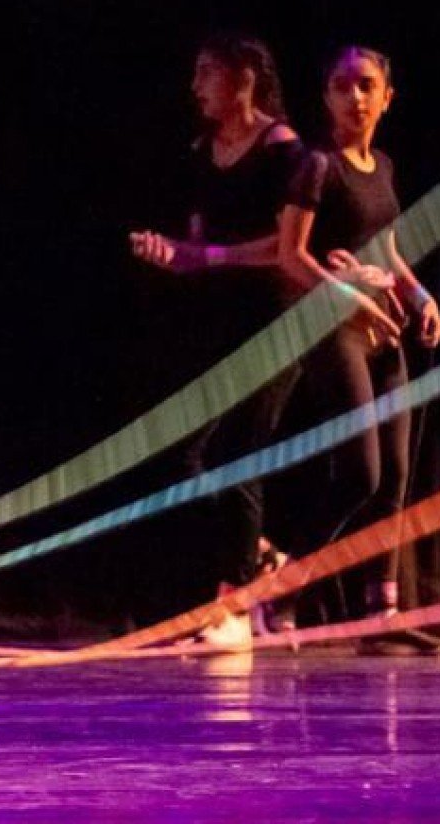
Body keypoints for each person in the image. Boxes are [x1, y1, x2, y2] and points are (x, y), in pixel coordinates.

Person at [127, 35, 325, 649]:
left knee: (241, 454)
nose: (195, 86)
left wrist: (211, 256)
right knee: (185, 456)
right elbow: (196, 245)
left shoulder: (284, 151)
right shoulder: (199, 154)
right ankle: (262, 557)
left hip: (274, 318)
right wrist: (174, 255)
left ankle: (233, 605)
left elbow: (285, 247)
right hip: (217, 323)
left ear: (244, 79)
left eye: (206, 72)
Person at [276, 45, 440, 655]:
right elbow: (289, 256)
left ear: (386, 97)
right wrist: (349, 293)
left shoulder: (383, 166)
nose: (355, 97)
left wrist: (420, 295)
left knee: (397, 475)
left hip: (386, 327)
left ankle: (382, 617)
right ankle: (283, 592)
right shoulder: (316, 166)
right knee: (360, 474)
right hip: (336, 328)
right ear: (326, 96)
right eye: (342, 85)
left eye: (366, 85)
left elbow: (389, 249)